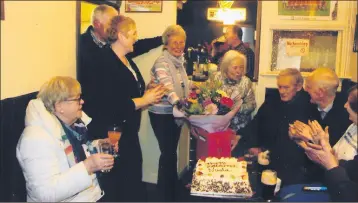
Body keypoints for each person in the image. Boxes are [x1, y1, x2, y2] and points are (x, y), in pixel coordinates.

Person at [83, 15, 166, 202]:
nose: (136, 37)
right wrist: (144, 100)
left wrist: (147, 91)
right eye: (133, 33)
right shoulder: (104, 62)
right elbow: (110, 105)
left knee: (133, 181)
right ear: (121, 36)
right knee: (121, 186)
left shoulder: (126, 59)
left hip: (128, 132)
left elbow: (127, 93)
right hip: (113, 135)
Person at [16, 76, 114, 202]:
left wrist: (98, 145)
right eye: (77, 99)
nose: (82, 102)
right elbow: (45, 194)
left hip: (92, 195)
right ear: (59, 106)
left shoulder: (74, 126)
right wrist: (88, 166)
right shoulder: (35, 139)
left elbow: (74, 153)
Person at [238, 68, 318, 184]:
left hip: (292, 166)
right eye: (279, 87)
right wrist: (251, 144)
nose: (281, 91)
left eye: (286, 87)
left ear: (299, 87)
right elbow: (257, 121)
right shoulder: (273, 98)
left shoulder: (308, 106)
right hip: (265, 158)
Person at [78, 4, 162, 103]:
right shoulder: (79, 45)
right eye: (112, 22)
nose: (116, 26)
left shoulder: (120, 49)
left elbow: (140, 46)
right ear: (97, 24)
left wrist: (163, 39)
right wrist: (143, 100)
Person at [290, 85, 358, 201]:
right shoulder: (354, 126)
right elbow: (344, 163)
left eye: (349, 103)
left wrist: (329, 162)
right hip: (331, 184)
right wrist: (321, 144)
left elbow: (349, 195)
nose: (345, 105)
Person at [148, 25, 190, 201]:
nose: (178, 46)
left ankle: (171, 187)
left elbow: (180, 85)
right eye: (174, 42)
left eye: (181, 42)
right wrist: (177, 102)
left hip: (174, 113)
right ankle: (164, 193)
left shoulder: (179, 62)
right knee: (168, 153)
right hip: (162, 113)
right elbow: (166, 86)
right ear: (166, 43)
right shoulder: (162, 62)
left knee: (171, 152)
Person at [304, 67, 352, 146]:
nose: (305, 90)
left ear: (320, 93)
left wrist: (309, 137)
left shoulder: (347, 113)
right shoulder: (306, 103)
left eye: (308, 87)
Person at [213, 50, 256, 137]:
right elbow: (207, 99)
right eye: (235, 67)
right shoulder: (216, 78)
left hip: (238, 129)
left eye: (241, 67)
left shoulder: (246, 82)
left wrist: (235, 108)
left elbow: (251, 105)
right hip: (217, 126)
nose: (239, 71)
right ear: (226, 67)